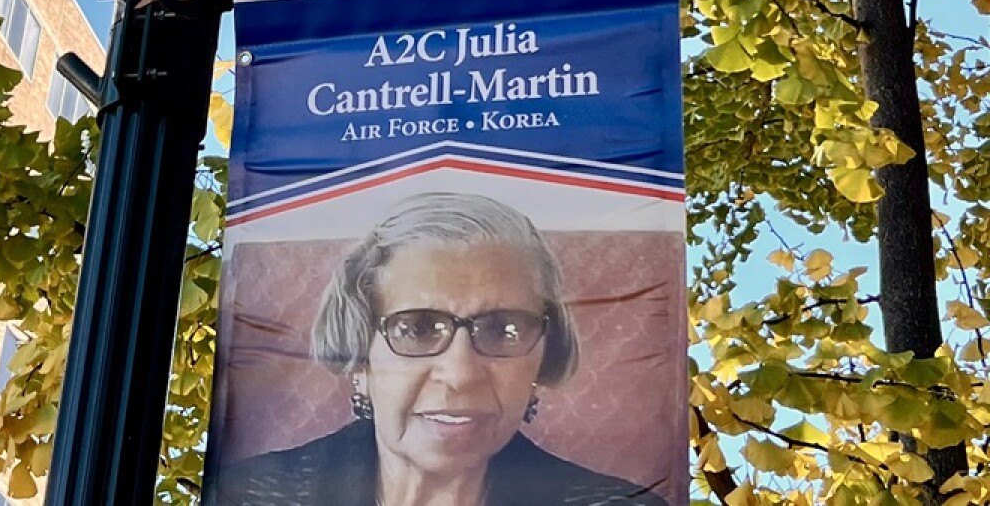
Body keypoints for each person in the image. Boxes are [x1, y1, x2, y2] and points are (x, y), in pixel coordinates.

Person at [213, 193, 669, 506]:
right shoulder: (252, 495)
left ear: (542, 357)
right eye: (417, 328)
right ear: (359, 359)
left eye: (504, 328)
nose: (461, 373)